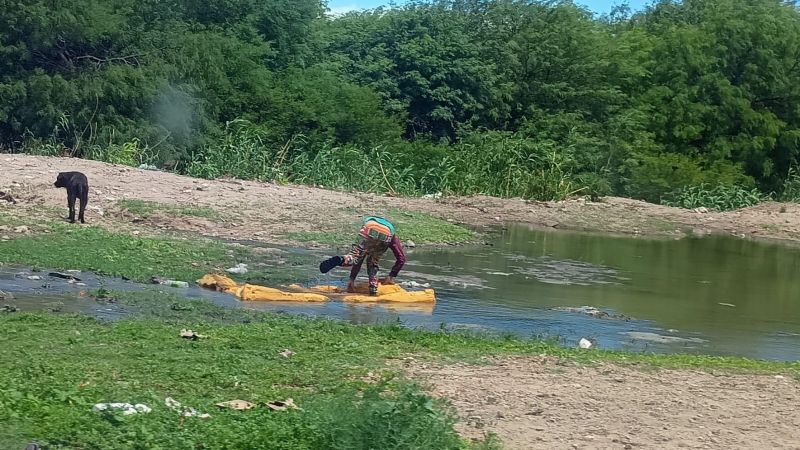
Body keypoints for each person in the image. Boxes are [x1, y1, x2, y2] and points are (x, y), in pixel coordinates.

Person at [319, 216, 406, 296]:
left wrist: (351, 281)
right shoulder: (393, 235)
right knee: (373, 263)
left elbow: (359, 261)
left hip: (368, 228)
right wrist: (391, 276)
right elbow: (401, 258)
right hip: (386, 234)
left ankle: (341, 259)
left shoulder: (370, 221)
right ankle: (373, 289)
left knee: (355, 256)